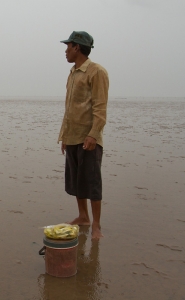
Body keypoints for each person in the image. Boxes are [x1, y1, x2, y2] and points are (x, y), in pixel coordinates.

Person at [58, 31, 109, 239]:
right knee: (77, 181)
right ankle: (82, 216)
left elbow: (100, 107)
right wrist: (64, 135)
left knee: (92, 182)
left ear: (77, 47)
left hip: (89, 138)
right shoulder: (72, 72)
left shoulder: (97, 72)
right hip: (72, 136)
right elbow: (69, 108)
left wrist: (93, 135)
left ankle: (96, 225)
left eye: (68, 46)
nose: (65, 51)